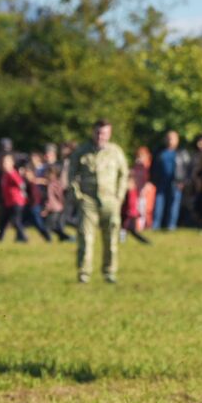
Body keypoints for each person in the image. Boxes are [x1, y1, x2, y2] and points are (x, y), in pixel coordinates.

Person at [69, 119, 129, 283]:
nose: (100, 136)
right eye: (97, 132)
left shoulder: (116, 152)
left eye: (104, 133)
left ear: (109, 134)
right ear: (92, 132)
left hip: (110, 200)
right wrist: (78, 196)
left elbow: (124, 174)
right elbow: (72, 174)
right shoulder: (82, 151)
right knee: (86, 238)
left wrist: (119, 196)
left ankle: (109, 272)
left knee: (111, 239)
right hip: (88, 200)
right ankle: (84, 273)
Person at [151, 130, 190, 231]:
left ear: (177, 140)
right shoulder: (159, 152)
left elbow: (187, 169)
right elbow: (153, 168)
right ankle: (156, 225)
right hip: (161, 182)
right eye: (168, 138)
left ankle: (171, 226)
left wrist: (183, 181)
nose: (170, 140)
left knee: (174, 205)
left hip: (176, 183)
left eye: (172, 138)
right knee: (159, 204)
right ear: (165, 139)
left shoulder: (182, 153)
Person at [0, 153, 29, 243]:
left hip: (16, 202)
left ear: (12, 163)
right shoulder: (5, 175)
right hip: (8, 202)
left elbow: (21, 184)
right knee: (3, 221)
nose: (4, 164)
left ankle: (24, 237)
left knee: (16, 221)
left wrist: (23, 195)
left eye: (6, 162)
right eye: (3, 162)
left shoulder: (12, 173)